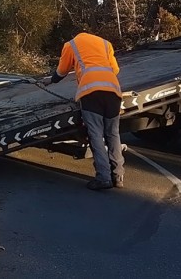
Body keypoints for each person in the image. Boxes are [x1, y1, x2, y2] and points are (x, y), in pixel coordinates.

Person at [42, 32, 125, 190]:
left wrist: (51, 80)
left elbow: (62, 71)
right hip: (113, 91)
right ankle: (118, 176)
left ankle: (103, 177)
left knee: (96, 135)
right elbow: (115, 69)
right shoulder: (105, 43)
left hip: (91, 92)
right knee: (113, 134)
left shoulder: (71, 45)